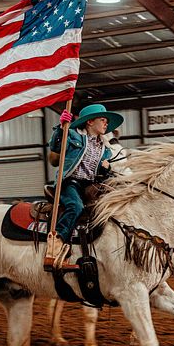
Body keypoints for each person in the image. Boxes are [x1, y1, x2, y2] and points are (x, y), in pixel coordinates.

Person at [44, 104, 123, 269]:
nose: (106, 123)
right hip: (70, 182)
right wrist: (61, 127)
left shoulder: (105, 149)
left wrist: (106, 169)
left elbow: (101, 175)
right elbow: (56, 146)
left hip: (90, 185)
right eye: (103, 120)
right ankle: (55, 247)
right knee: (75, 207)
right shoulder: (73, 136)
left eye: (106, 121)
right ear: (90, 122)